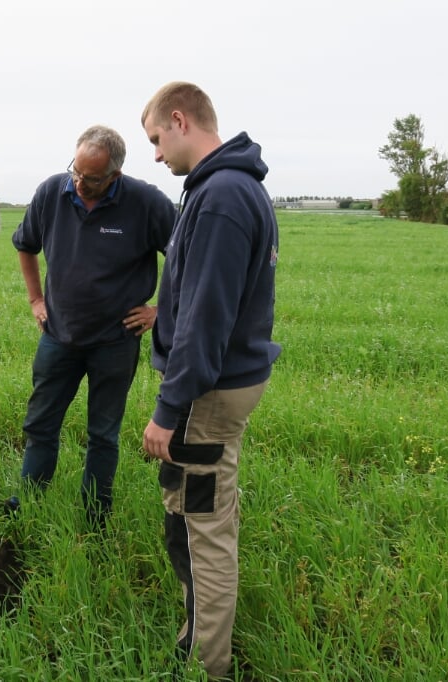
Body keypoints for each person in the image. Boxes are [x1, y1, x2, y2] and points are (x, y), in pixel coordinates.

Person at [139, 82, 280, 679]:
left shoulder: (221, 195)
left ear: (180, 120)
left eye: (155, 140)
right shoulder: (232, 186)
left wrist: (168, 410)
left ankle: (205, 664)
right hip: (223, 383)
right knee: (204, 509)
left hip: (207, 390)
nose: (154, 155)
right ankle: (198, 633)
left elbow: (205, 319)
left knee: (202, 528)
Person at [10, 125, 177, 528]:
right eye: (77, 173)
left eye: (93, 178)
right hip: (59, 337)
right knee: (41, 423)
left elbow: (187, 256)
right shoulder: (52, 192)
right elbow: (25, 245)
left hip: (115, 342)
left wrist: (161, 311)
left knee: (103, 433)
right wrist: (36, 299)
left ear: (115, 175)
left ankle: (94, 516)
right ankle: (30, 502)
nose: (81, 184)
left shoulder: (146, 202)